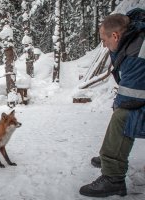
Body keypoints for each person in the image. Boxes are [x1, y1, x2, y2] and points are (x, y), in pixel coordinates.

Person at [79, 9, 145, 198]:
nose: (105, 45)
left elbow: (133, 96)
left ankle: (113, 178)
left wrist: (119, 104)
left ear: (115, 35)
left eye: (105, 40)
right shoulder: (133, 40)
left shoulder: (137, 51)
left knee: (123, 116)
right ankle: (111, 157)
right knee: (123, 110)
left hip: (136, 96)